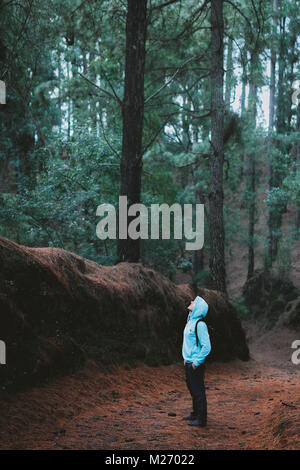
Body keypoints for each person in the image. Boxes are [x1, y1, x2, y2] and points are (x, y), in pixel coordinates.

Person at [182, 296, 211, 427]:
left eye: (194, 302)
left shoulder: (200, 324)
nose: (192, 302)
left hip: (195, 364)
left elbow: (207, 347)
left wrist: (196, 362)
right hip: (188, 362)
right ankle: (195, 414)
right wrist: (186, 358)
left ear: (199, 308)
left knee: (198, 391)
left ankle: (201, 419)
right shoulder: (190, 322)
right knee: (192, 389)